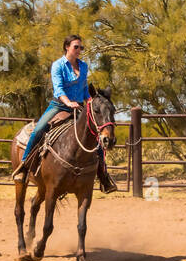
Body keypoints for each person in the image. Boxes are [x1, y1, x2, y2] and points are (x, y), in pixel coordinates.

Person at [11, 34, 118, 192]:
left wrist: (90, 102)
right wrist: (68, 102)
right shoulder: (58, 65)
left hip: (79, 106)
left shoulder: (83, 66)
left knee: (97, 137)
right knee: (38, 129)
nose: (79, 50)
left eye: (81, 47)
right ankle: (24, 167)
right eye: (76, 47)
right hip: (59, 106)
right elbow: (59, 88)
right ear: (67, 47)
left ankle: (103, 176)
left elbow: (83, 88)